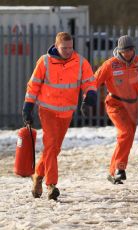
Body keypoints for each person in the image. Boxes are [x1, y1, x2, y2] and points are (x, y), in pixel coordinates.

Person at [22, 32, 97, 200]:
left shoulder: (80, 62)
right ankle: (51, 185)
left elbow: (89, 82)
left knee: (54, 148)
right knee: (50, 145)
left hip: (66, 112)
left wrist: (90, 95)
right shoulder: (45, 61)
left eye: (71, 47)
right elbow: (33, 86)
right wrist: (28, 106)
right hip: (47, 110)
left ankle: (37, 176)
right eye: (64, 48)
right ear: (56, 46)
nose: (68, 51)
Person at [94, 35, 138, 184]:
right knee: (125, 133)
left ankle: (112, 172)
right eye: (125, 51)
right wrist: (86, 97)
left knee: (126, 138)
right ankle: (120, 169)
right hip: (115, 104)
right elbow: (93, 81)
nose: (128, 54)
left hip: (133, 105)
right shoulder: (110, 64)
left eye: (130, 50)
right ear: (119, 51)